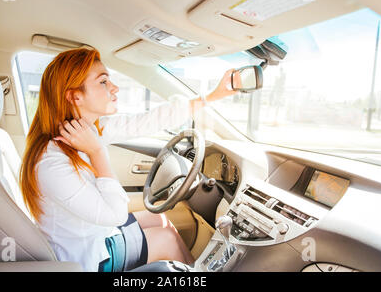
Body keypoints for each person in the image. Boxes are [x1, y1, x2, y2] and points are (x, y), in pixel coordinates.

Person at [19, 47, 241, 272]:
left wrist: (213, 96)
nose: (114, 88)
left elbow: (147, 121)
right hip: (86, 258)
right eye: (103, 82)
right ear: (74, 95)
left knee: (162, 220)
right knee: (165, 239)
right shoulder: (52, 163)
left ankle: (192, 273)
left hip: (95, 233)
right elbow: (116, 214)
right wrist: (97, 152)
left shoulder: (89, 130)